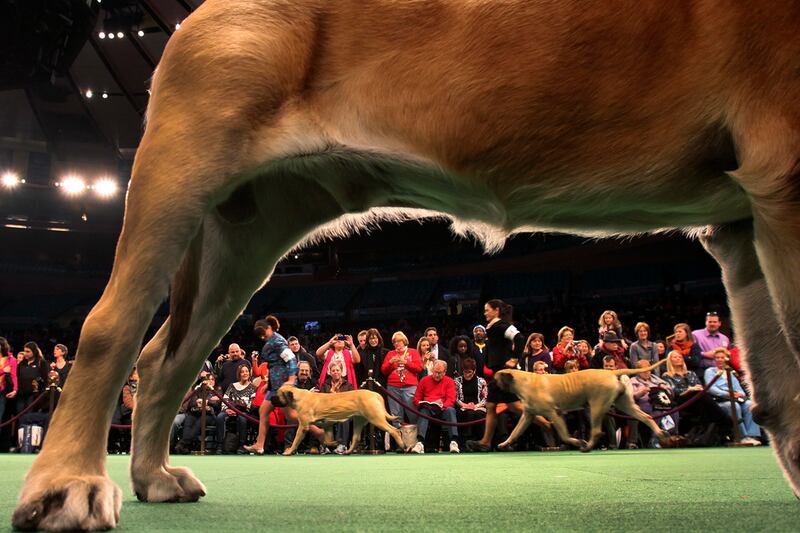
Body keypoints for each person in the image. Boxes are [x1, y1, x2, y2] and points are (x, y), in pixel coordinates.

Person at [466, 299, 527, 452]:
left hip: (504, 375)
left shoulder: (502, 325)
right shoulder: (493, 327)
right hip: (497, 374)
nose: (485, 312)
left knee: (517, 407)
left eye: (487, 310)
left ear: (497, 310)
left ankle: (548, 425)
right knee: (491, 406)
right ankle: (486, 442)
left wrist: (514, 358)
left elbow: (520, 338)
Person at [243, 315, 297, 454]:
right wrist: (269, 385)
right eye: (259, 336)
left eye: (263, 334)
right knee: (263, 411)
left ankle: (319, 431)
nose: (262, 337)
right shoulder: (272, 340)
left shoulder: (278, 341)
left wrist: (291, 379)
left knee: (292, 416)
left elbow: (291, 359)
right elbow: (274, 366)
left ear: (269, 328)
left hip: (283, 385)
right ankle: (259, 445)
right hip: (276, 386)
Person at [661, 350, 730, 442]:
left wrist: (697, 388)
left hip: (697, 399)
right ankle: (725, 420)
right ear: (670, 360)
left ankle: (706, 435)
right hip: (681, 400)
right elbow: (673, 392)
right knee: (698, 395)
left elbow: (699, 385)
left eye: (680, 357)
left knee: (701, 400)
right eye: (675, 357)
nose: (678, 358)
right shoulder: (667, 376)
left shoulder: (691, 373)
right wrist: (688, 390)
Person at [705, 348, 762, 445]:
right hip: (721, 400)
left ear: (726, 359)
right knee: (734, 406)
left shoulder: (730, 372)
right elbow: (712, 389)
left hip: (735, 398)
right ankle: (742, 436)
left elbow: (739, 388)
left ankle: (752, 435)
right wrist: (728, 394)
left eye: (722, 357)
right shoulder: (710, 371)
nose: (719, 359)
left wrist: (739, 394)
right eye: (717, 358)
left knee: (749, 404)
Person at [411, 360, 459, 453]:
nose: (437, 375)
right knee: (423, 411)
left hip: (443, 409)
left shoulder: (449, 381)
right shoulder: (424, 380)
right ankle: (420, 443)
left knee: (451, 410)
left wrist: (442, 406)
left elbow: (451, 399)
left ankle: (454, 442)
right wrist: (422, 403)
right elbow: (416, 399)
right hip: (428, 408)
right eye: (435, 372)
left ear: (445, 372)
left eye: (439, 373)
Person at [381, 331, 422, 438]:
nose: (396, 344)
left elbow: (418, 368)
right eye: (394, 342)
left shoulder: (413, 352)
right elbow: (383, 371)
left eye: (399, 341)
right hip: (393, 387)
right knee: (396, 416)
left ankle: (416, 441)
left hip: (410, 387)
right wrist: (390, 362)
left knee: (413, 414)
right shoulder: (390, 354)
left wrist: (406, 362)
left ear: (404, 341)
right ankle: (400, 443)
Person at [629, 359, 675, 448]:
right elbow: (631, 396)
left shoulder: (656, 379)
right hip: (644, 405)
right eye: (644, 371)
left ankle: (673, 437)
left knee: (674, 411)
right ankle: (655, 439)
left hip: (663, 404)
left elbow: (671, 392)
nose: (647, 373)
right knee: (657, 412)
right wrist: (641, 392)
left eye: (649, 370)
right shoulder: (633, 381)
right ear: (638, 371)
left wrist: (665, 388)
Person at [174, 373, 221, 454]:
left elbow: (217, 404)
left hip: (209, 415)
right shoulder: (198, 390)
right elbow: (191, 404)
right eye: (208, 379)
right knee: (188, 420)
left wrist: (205, 402)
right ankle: (186, 446)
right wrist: (197, 402)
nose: (210, 381)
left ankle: (182, 443)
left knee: (199, 422)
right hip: (195, 413)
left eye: (212, 379)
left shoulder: (217, 391)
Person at [215, 365, 256, 453]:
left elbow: (250, 404)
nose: (245, 373)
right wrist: (226, 409)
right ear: (239, 374)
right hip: (229, 409)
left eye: (247, 371)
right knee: (220, 417)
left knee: (242, 419)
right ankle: (219, 444)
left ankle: (242, 445)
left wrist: (238, 410)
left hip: (243, 411)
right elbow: (225, 399)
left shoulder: (253, 387)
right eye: (242, 372)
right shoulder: (232, 385)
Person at [320, 361, 354, 454]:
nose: (336, 372)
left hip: (344, 411)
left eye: (338, 370)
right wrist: (330, 394)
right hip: (328, 411)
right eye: (333, 370)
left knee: (344, 417)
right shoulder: (325, 385)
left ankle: (342, 445)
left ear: (341, 371)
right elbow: (321, 400)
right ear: (330, 372)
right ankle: (326, 445)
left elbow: (351, 402)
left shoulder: (348, 385)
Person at [454, 357, 486, 443]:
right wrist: (465, 405)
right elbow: (455, 398)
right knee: (469, 414)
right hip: (462, 407)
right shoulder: (457, 381)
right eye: (465, 372)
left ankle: (481, 441)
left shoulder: (481, 381)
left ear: (474, 371)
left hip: (478, 406)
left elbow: (485, 398)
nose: (467, 374)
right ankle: (466, 441)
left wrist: (476, 406)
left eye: (470, 372)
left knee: (479, 414)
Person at [15, 342, 48, 414]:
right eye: (24, 351)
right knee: (20, 414)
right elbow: (17, 377)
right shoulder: (22, 363)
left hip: (34, 395)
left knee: (29, 415)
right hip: (21, 395)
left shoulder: (41, 362)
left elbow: (45, 379)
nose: (25, 353)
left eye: (28, 351)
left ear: (34, 351)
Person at [0, 337, 18, 426]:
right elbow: (5, 371)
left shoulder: (12, 360)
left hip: (2, 391)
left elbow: (14, 376)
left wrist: (15, 390)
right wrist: (3, 370)